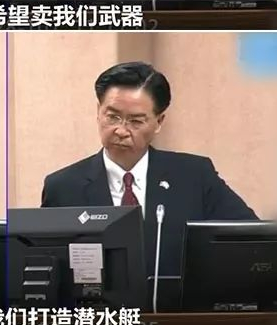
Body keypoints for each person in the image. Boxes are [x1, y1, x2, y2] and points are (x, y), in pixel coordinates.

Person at [41, 61, 258, 278]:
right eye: (113, 117)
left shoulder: (194, 176)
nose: (121, 130)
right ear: (98, 112)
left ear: (159, 121)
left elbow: (252, 238)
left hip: (175, 300)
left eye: (135, 121)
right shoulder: (63, 187)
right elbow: (46, 266)